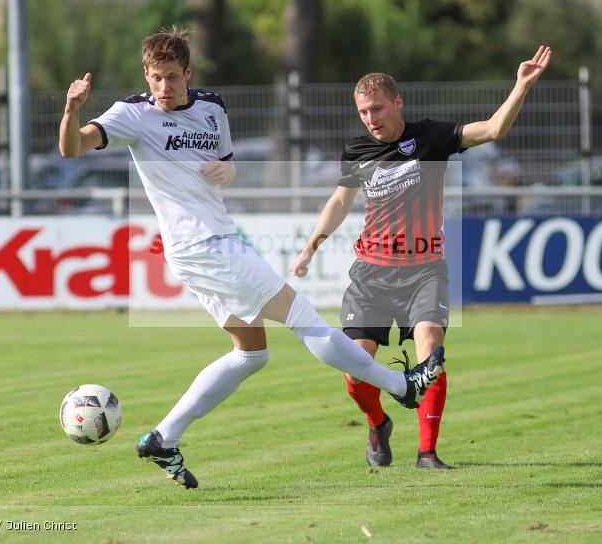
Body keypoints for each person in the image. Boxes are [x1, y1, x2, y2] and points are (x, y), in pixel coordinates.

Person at [58, 27, 445, 489]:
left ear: (188, 74)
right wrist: (72, 109)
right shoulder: (132, 114)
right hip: (203, 246)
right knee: (304, 318)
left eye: (172, 78)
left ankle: (164, 437)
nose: (164, 87)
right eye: (156, 77)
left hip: (215, 241)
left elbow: (226, 165)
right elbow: (71, 148)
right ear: (147, 74)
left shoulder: (212, 108)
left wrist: (228, 170)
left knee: (251, 354)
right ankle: (404, 388)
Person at [289, 46, 552, 469]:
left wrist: (520, 85)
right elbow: (339, 202)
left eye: (377, 109)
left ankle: (427, 453)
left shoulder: (432, 138)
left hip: (424, 271)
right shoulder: (357, 150)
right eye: (363, 113)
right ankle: (378, 423)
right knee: (356, 372)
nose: (371, 119)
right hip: (371, 275)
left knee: (432, 354)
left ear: (398, 103)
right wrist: (309, 248)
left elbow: (494, 129)